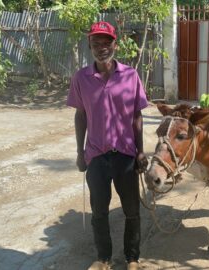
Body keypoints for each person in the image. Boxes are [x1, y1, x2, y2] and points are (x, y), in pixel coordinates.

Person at [66, 21, 149, 270]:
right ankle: (104, 259)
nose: (102, 48)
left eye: (107, 42)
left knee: (132, 211)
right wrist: (80, 153)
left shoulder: (130, 76)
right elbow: (81, 116)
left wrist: (141, 151)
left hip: (125, 155)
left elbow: (137, 115)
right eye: (96, 43)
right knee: (99, 212)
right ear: (90, 45)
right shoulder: (81, 78)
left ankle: (132, 258)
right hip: (96, 156)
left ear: (115, 43)